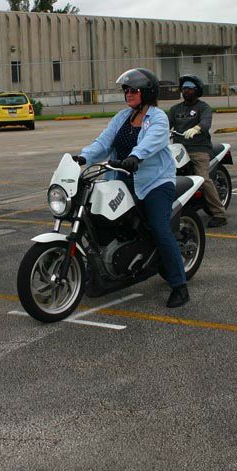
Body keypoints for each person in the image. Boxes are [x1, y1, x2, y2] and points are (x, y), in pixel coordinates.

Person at [77, 68, 190, 308]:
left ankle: (179, 285)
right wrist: (82, 157)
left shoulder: (158, 118)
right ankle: (97, 274)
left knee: (160, 228)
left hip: (154, 182)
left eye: (134, 90)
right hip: (121, 180)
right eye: (126, 90)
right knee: (99, 222)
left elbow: (152, 142)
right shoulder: (122, 117)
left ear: (147, 93)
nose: (128, 93)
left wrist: (135, 156)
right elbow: (103, 142)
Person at [167, 75, 228, 228]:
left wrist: (197, 128)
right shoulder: (175, 109)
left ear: (197, 90)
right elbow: (164, 124)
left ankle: (219, 214)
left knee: (203, 178)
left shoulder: (203, 107)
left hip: (198, 149)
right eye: (184, 88)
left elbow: (206, 122)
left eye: (189, 88)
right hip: (178, 149)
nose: (186, 91)